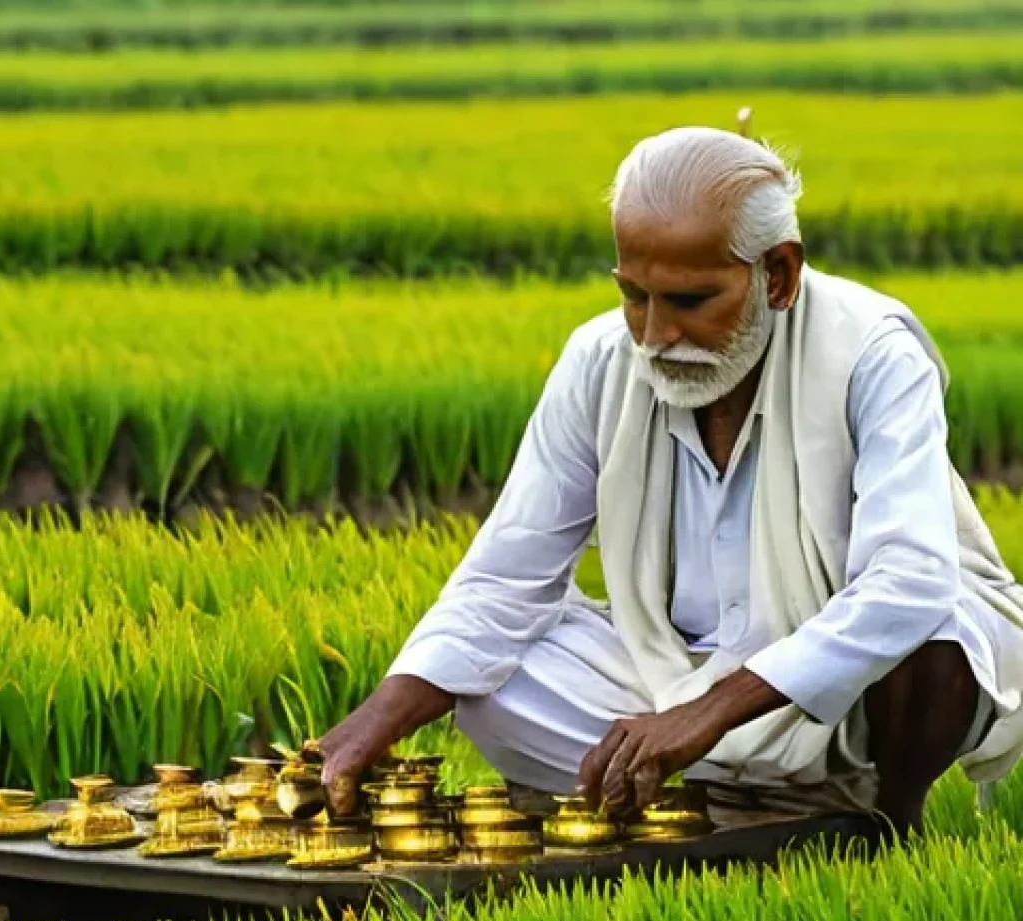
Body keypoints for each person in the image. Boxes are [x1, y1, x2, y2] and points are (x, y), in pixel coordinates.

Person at [318, 125, 1023, 836]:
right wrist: (373, 720)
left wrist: (707, 715)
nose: (654, 335)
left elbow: (909, 582)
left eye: (688, 302)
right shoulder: (599, 360)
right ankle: (732, 796)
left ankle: (883, 820)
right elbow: (506, 578)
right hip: (669, 666)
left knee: (935, 634)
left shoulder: (872, 354)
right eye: (634, 297)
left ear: (776, 275)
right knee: (492, 682)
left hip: (838, 682)